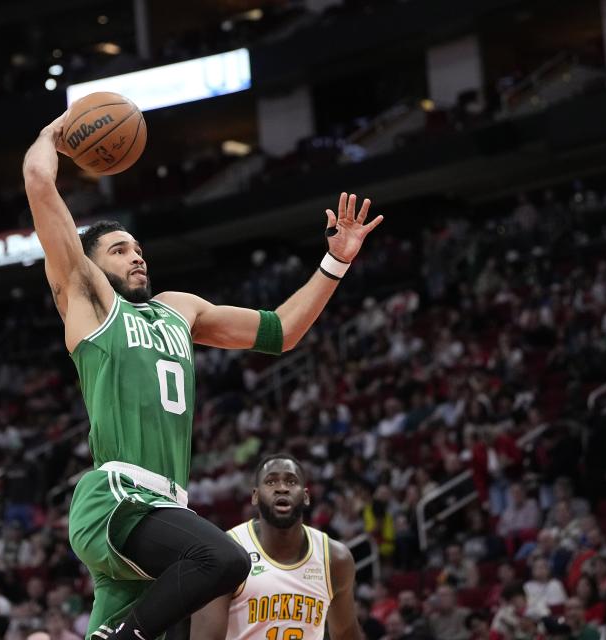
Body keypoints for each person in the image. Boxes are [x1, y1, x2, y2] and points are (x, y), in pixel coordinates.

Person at [23, 111, 382, 640]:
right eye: (120, 251)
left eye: (139, 249)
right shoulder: (90, 302)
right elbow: (38, 182)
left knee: (195, 580)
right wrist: (50, 135)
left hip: (163, 513)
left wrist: (335, 263)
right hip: (117, 499)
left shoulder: (179, 309)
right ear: (93, 267)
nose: (137, 257)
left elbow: (281, 332)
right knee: (226, 561)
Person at [188, 455, 359, 639]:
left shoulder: (334, 559)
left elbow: (346, 633)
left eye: (291, 482)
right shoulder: (225, 553)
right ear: (255, 496)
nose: (282, 488)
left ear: (306, 496)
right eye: (270, 482)